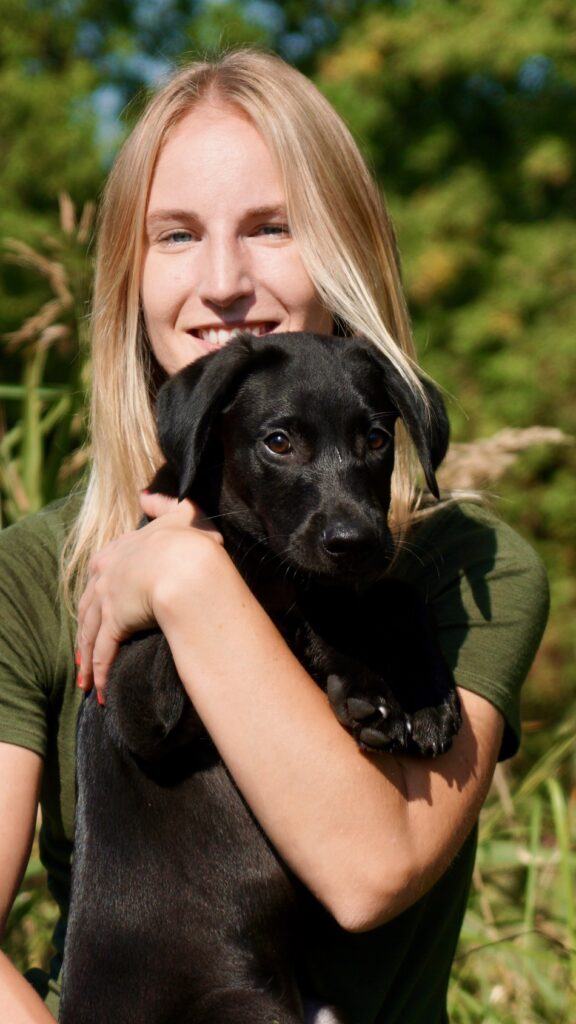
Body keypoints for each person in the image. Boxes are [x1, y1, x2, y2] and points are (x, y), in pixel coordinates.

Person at [0, 49, 549, 1023]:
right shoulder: (35, 570)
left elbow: (370, 868)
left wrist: (184, 579)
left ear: (344, 249)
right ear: (129, 272)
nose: (222, 282)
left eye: (271, 228)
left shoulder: (469, 570)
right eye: (175, 235)